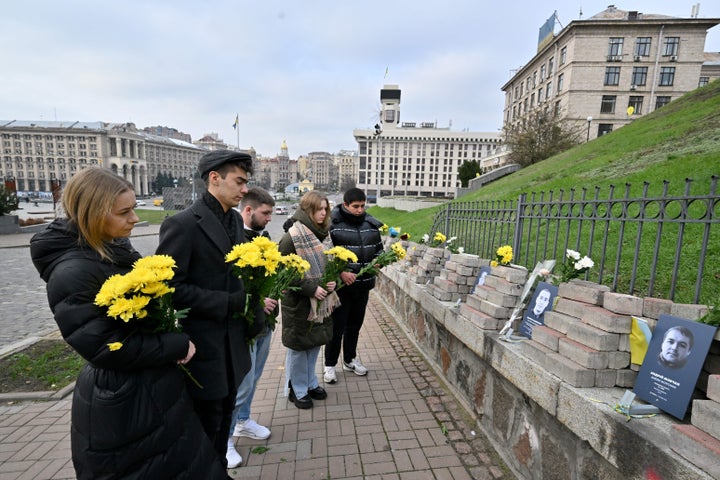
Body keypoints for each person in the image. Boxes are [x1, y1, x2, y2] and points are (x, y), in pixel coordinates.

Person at [29, 167, 226, 479]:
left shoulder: (111, 249)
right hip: (125, 404)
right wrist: (174, 343)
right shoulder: (74, 272)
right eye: (125, 212)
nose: (135, 218)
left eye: (134, 208)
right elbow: (103, 346)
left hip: (151, 390)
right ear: (92, 214)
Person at [156, 150, 266, 470]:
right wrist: (227, 302)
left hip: (232, 346)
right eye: (239, 181)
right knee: (204, 427)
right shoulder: (182, 224)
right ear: (214, 179)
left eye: (246, 182)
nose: (245, 190)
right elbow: (169, 288)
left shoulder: (233, 219)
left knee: (224, 423)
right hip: (203, 350)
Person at [226, 187, 278, 467]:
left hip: (264, 322)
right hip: (244, 323)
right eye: (265, 213)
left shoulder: (264, 237)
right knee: (240, 384)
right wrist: (256, 301)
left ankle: (243, 421)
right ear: (248, 210)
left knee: (255, 377)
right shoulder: (234, 239)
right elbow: (232, 284)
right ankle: (224, 441)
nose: (270, 218)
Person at [278, 190, 336, 409]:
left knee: (314, 344)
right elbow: (284, 275)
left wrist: (332, 283)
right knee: (298, 348)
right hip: (300, 303)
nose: (323, 214)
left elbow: (331, 265)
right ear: (307, 210)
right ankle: (297, 388)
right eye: (318, 209)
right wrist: (312, 288)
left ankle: (311, 383)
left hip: (320, 302)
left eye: (325, 209)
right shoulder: (291, 237)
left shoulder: (325, 234)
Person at [323, 187, 383, 384]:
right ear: (346, 205)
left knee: (354, 326)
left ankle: (349, 360)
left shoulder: (371, 224)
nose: (360, 210)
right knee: (337, 328)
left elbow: (379, 250)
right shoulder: (333, 225)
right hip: (342, 289)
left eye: (363, 206)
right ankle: (329, 365)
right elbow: (326, 254)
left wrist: (378, 262)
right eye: (355, 206)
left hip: (363, 286)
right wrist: (340, 272)